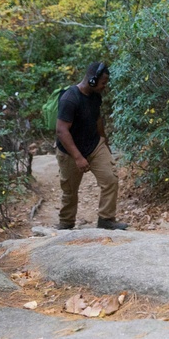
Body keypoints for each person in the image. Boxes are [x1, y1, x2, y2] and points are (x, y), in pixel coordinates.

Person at [55, 61, 128, 231]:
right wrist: (78, 157)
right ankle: (66, 223)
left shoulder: (95, 96)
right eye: (103, 82)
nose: (105, 86)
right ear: (92, 80)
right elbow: (61, 131)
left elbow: (97, 120)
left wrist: (104, 142)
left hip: (94, 145)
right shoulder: (69, 98)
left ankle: (106, 219)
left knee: (110, 179)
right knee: (70, 191)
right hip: (69, 150)